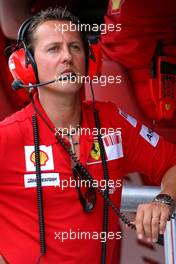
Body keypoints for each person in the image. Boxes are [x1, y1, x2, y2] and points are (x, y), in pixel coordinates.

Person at [0, 6, 176, 264]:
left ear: (90, 61)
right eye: (53, 49)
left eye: (75, 47)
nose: (67, 58)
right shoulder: (9, 135)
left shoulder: (112, 122)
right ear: (27, 66)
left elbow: (172, 163)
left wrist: (164, 200)